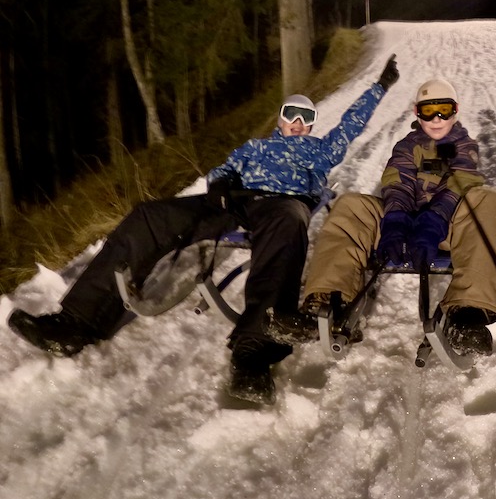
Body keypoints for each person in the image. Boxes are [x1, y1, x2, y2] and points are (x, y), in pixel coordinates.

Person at [6, 55, 401, 404]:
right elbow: (223, 169)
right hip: (236, 203)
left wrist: (379, 87)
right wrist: (220, 183)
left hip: (283, 206)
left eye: (306, 118)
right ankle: (77, 322)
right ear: (280, 120)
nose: (298, 123)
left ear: (313, 125)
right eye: (291, 116)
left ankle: (253, 355)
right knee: (149, 215)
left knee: (288, 225)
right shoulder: (254, 147)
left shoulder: (319, 149)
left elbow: (351, 124)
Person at [267, 76, 496, 356]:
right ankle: (327, 300)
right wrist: (395, 220)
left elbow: (460, 180)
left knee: (488, 200)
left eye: (445, 109)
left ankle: (468, 314)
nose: (438, 118)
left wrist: (435, 219)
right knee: (352, 204)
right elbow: (398, 183)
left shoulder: (462, 145)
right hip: (405, 224)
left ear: (456, 111)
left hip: (449, 228)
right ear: (417, 113)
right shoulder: (407, 146)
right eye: (429, 110)